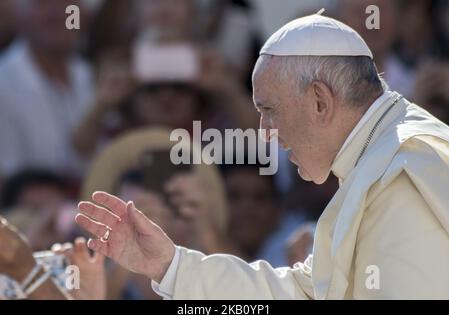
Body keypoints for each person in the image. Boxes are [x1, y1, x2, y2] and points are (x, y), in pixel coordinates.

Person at [75, 13, 449, 299]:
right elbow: (301, 292)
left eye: (269, 110)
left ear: (319, 101)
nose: (265, 132)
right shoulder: (378, 157)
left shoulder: (402, 172)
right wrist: (170, 266)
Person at [0, 0, 94, 180]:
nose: (55, 13)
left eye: (68, 4)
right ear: (18, 14)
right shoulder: (3, 82)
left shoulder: (89, 76)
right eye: (41, 3)